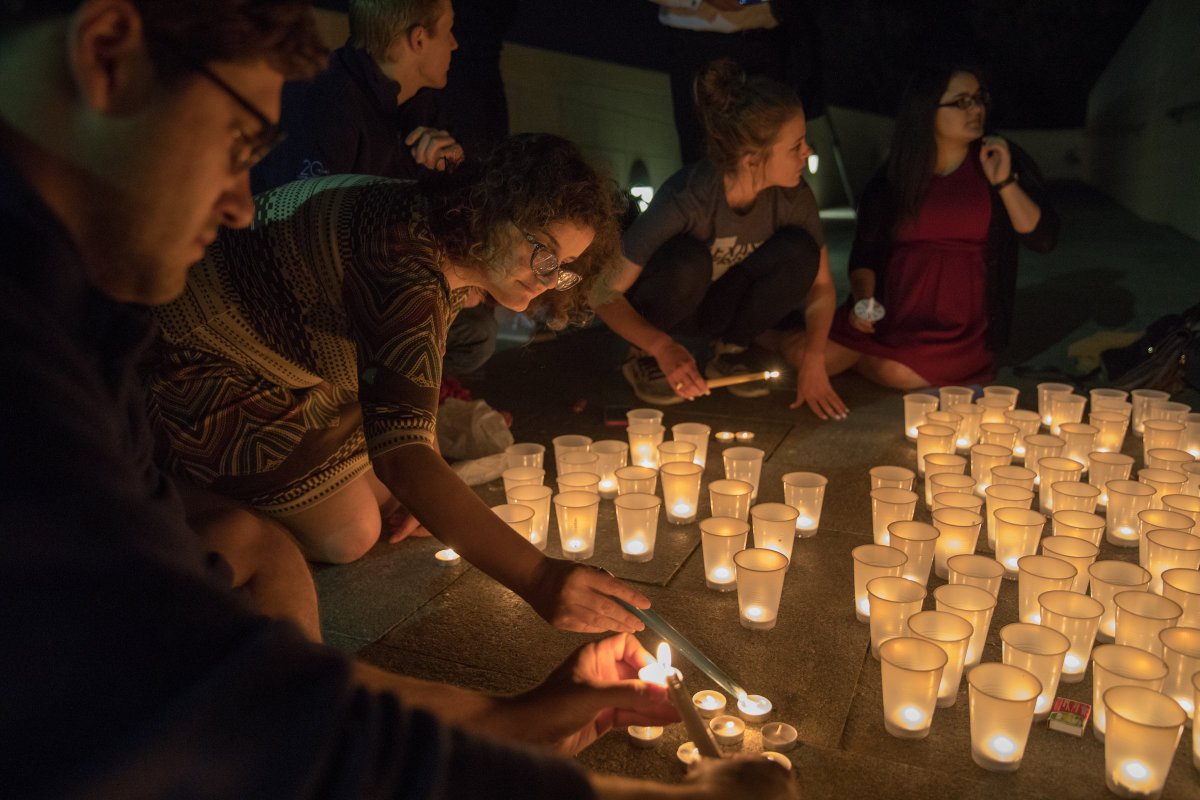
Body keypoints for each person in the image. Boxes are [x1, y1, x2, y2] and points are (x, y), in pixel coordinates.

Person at [0, 2, 795, 798]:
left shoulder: (82, 323)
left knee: (265, 547)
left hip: (263, 383)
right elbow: (230, 724)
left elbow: (281, 699)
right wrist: (539, 590)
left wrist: (539, 714)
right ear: (107, 55)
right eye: (241, 146)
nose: (244, 203)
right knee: (352, 526)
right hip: (214, 379)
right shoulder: (34, 375)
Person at [146, 133, 652, 634]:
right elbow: (402, 459)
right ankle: (185, 494)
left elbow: (414, 390)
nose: (547, 278)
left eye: (564, 268)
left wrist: (415, 481)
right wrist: (539, 577)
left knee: (396, 503)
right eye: (543, 251)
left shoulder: (440, 233)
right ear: (495, 210)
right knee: (352, 534)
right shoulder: (404, 262)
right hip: (197, 368)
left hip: (297, 372)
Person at [252, 0, 498, 382]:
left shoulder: (418, 105)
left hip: (378, 272)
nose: (454, 44)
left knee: (478, 331)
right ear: (418, 39)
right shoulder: (328, 104)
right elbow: (298, 238)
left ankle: (393, 396)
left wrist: (456, 169)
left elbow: (441, 210)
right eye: (447, 31)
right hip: (302, 298)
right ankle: (367, 405)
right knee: (458, 329)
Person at [598, 58, 848, 420]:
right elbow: (603, 292)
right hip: (670, 305)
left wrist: (814, 358)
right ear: (751, 160)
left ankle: (731, 350)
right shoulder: (690, 197)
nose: (808, 152)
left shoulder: (793, 197)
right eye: (796, 146)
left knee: (800, 252)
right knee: (688, 261)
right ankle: (643, 358)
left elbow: (822, 285)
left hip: (719, 310)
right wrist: (660, 345)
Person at [824, 65, 1059, 388]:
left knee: (899, 374)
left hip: (960, 331)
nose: (976, 109)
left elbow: (1043, 239)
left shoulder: (997, 156)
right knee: (811, 358)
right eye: (961, 101)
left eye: (979, 99)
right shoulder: (897, 173)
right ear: (925, 110)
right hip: (891, 313)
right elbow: (866, 251)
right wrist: (864, 301)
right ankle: (765, 335)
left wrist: (1004, 182)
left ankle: (857, 357)